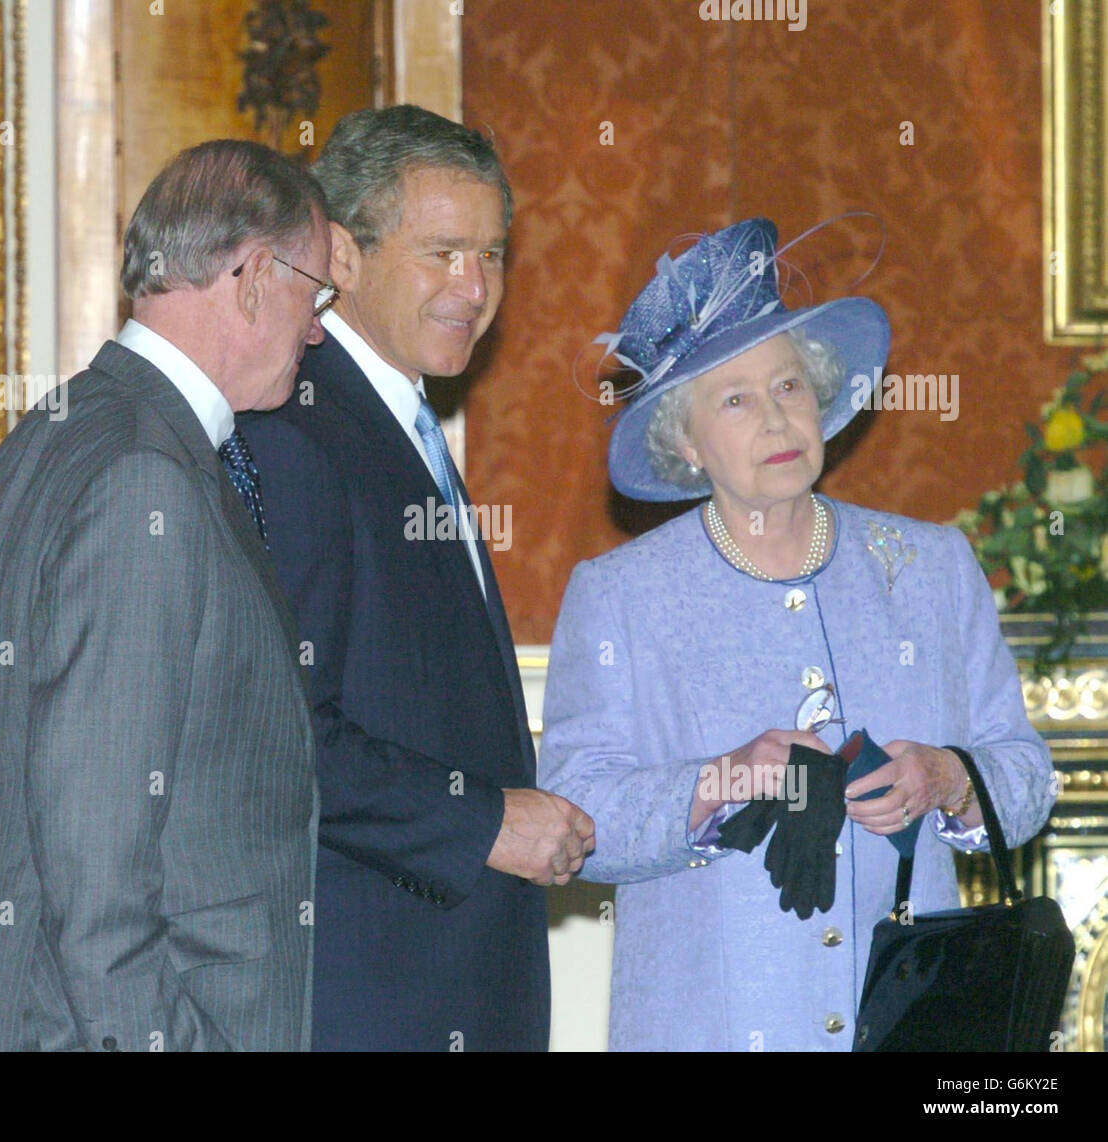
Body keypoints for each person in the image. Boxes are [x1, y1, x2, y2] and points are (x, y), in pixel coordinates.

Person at [538, 217, 1056, 1051]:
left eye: (788, 388)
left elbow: (1027, 779)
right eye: (736, 400)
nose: (776, 421)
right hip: (706, 1023)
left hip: (912, 1027)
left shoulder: (930, 565)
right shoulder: (621, 595)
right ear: (686, 442)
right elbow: (577, 817)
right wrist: (718, 781)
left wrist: (949, 777)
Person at [0, 140, 328, 1051]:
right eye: (314, 293)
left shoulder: (51, 432)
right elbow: (98, 879)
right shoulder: (149, 478)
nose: (317, 328)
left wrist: (71, 783)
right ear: (251, 276)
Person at [241, 104, 595, 1051]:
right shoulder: (297, 430)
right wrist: (484, 823)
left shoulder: (390, 421)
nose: (473, 286)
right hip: (366, 995)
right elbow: (280, 733)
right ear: (343, 259)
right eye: (441, 252)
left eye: (491, 255)